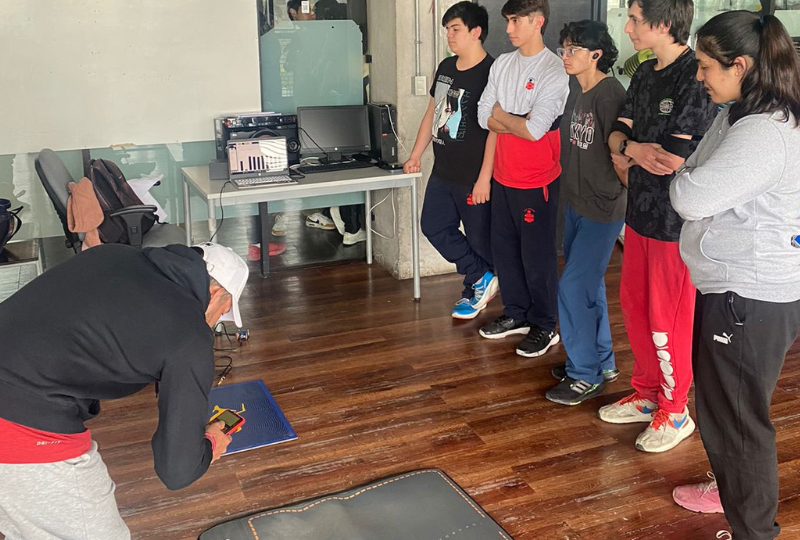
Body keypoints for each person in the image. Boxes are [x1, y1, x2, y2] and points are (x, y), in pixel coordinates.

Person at [0, 242, 249, 539]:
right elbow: (177, 471)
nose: (216, 322)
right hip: (20, 422)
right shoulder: (189, 335)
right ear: (216, 293)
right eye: (223, 313)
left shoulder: (113, 254)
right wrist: (209, 445)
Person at [669, 11, 800, 540]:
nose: (699, 75)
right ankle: (730, 491)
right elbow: (693, 173)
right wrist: (689, 174)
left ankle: (755, 532)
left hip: (749, 294)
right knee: (726, 412)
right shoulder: (739, 115)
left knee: (740, 423)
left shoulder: (764, 132)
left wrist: (686, 176)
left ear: (740, 65)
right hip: (731, 287)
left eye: (706, 66)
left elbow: (688, 193)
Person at [597, 0, 716, 453]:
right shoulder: (645, 73)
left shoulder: (694, 76)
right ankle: (647, 394)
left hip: (674, 223)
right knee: (636, 309)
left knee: (668, 320)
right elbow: (616, 133)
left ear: (663, 25)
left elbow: (671, 157)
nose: (627, 28)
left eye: (634, 20)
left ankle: (675, 410)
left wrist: (631, 148)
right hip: (639, 214)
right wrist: (632, 147)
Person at [476, 0, 569, 356]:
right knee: (505, 250)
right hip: (504, 175)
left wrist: (503, 116)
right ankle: (516, 313)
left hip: (537, 179)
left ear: (538, 22)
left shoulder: (554, 69)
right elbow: (483, 115)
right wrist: (514, 119)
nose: (509, 28)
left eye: (516, 21)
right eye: (507, 21)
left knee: (537, 255)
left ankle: (545, 324)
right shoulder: (502, 63)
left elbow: (535, 130)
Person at [544, 20, 627, 406]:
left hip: (602, 209)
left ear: (596, 54)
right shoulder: (576, 91)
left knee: (573, 287)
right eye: (563, 48)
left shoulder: (610, 95)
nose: (565, 56)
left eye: (573, 49)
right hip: (576, 203)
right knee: (589, 287)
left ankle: (585, 374)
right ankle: (601, 361)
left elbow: (621, 155)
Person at [404, 1, 498, 320]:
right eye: (447, 29)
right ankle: (480, 276)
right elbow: (432, 112)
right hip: (443, 170)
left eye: (455, 29)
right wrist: (415, 155)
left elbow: (497, 131)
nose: (449, 35)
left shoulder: (492, 73)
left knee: (480, 240)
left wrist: (485, 178)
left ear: (476, 32)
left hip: (473, 175)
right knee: (433, 225)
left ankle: (475, 291)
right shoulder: (446, 67)